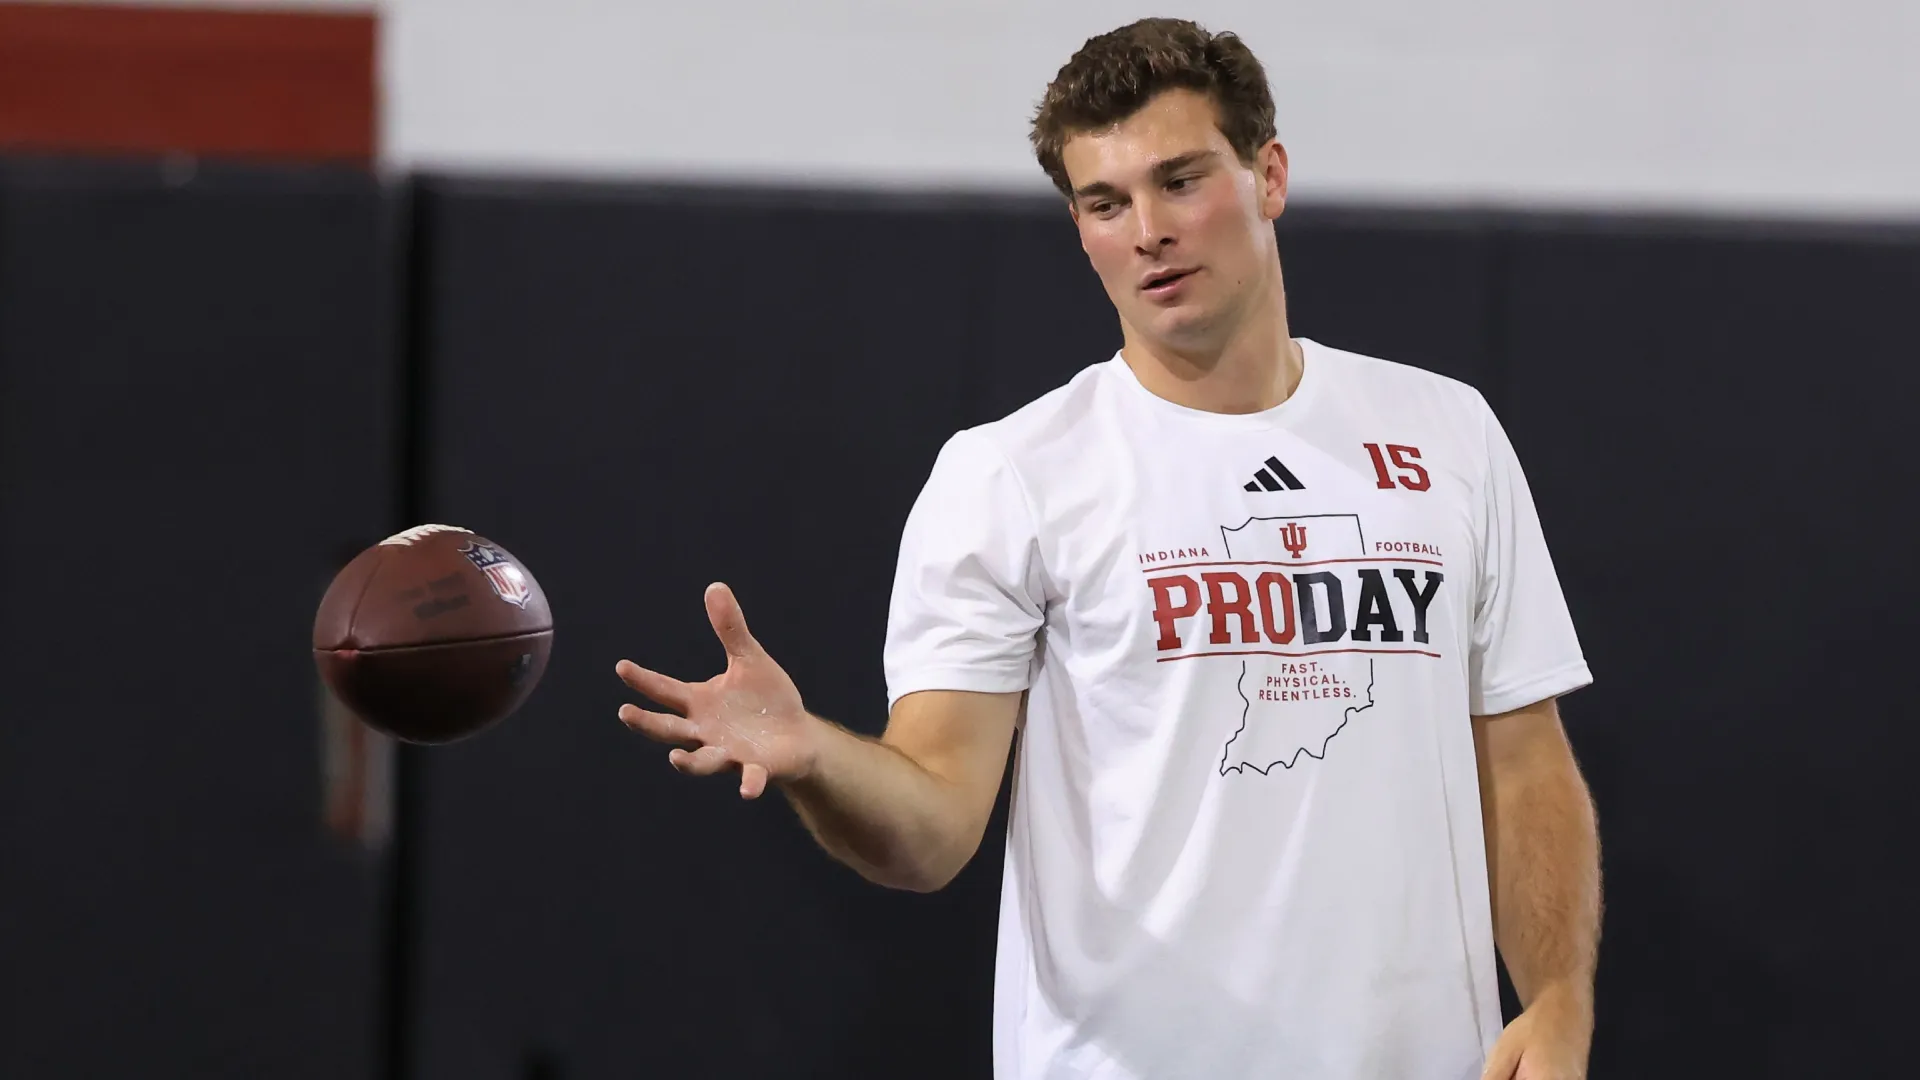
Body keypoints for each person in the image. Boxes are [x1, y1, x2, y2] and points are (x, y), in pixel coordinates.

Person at [615, 17, 1600, 1080]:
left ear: (1268, 175)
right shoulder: (1013, 475)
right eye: (1105, 202)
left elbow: (1524, 760)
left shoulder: (1446, 433)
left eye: (1180, 181)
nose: (1148, 231)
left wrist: (1557, 999)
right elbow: (934, 822)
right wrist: (816, 759)